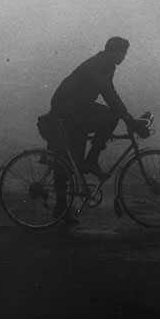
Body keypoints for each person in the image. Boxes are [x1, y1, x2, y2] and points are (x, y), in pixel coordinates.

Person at [47, 37, 149, 214]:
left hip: (72, 106)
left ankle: (61, 208)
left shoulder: (103, 62)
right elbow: (108, 92)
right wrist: (126, 117)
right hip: (68, 107)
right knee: (110, 118)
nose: (124, 57)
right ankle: (92, 160)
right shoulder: (103, 63)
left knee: (68, 157)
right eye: (123, 53)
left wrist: (127, 117)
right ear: (115, 52)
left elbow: (108, 92)